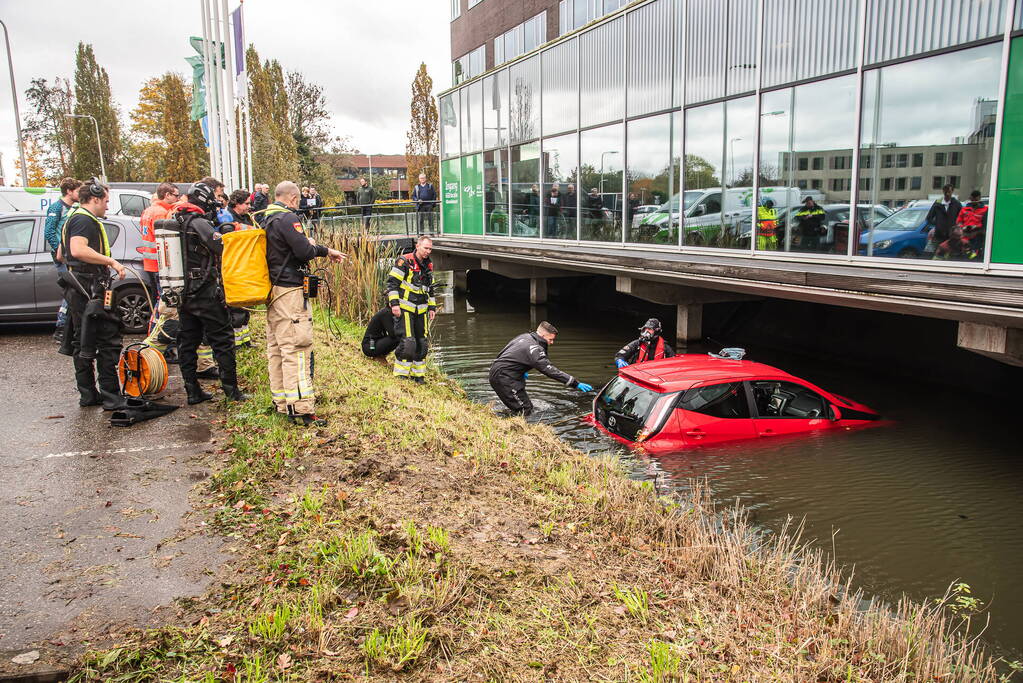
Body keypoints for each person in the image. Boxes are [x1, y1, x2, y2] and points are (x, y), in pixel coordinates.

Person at [264, 181, 345, 425]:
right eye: (298, 199)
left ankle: (281, 402)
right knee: (297, 348)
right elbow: (303, 252)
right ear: (293, 198)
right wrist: (315, 246)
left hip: (274, 290)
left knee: (277, 348)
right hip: (290, 292)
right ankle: (301, 409)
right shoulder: (288, 218)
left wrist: (323, 249)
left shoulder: (266, 218)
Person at [171, 181, 248, 405]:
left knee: (188, 342)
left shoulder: (177, 221)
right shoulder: (199, 223)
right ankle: (232, 391)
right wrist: (227, 230)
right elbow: (220, 246)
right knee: (223, 339)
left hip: (184, 293)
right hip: (204, 291)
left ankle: (192, 390)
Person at [56, 177, 126, 409]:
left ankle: (88, 395)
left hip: (77, 286)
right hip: (89, 287)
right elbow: (77, 250)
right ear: (94, 199)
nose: (107, 205)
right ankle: (112, 397)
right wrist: (110, 262)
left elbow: (61, 255)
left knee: (82, 340)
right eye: (105, 201)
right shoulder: (84, 220)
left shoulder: (72, 218)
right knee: (106, 340)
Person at [488, 321, 592, 417]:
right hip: (504, 377)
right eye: (550, 339)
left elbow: (506, 354)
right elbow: (549, 370)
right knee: (525, 409)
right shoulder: (536, 348)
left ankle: (505, 416)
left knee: (525, 406)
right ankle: (514, 427)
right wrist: (575, 383)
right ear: (542, 336)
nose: (552, 342)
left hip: (501, 372)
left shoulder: (525, 336)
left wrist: (520, 370)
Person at [385, 235, 437, 382]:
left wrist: (432, 307)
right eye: (426, 248)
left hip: (422, 310)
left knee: (422, 344)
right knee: (408, 342)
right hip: (405, 308)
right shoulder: (404, 261)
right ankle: (401, 375)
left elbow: (430, 289)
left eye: (430, 249)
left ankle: (418, 376)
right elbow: (392, 284)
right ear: (417, 246)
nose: (428, 251)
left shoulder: (428, 265)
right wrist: (394, 304)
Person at [45, 177, 82, 343]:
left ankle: (67, 328)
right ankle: (61, 328)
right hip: (62, 257)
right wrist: (60, 252)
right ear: (69, 191)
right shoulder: (57, 207)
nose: (80, 194)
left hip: (71, 255)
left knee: (73, 290)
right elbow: (49, 232)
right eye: (77, 191)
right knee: (71, 290)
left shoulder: (75, 208)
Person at [139, 183, 181, 323]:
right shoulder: (161, 213)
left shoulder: (148, 211)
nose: (177, 199)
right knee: (164, 302)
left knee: (158, 299)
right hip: (161, 264)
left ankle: (155, 328)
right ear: (167, 195)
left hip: (150, 262)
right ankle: (158, 331)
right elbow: (166, 241)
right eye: (176, 195)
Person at [220, 189, 256, 347]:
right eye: (246, 203)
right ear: (236, 203)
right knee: (236, 306)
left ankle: (245, 339)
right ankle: (236, 342)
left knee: (245, 305)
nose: (249, 206)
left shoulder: (246, 217)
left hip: (246, 263)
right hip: (234, 266)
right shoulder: (228, 218)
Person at [927, 184, 963, 260]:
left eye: (949, 192)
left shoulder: (956, 204)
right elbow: (929, 218)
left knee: (950, 257)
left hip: (951, 237)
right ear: (943, 191)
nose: (947, 194)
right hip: (938, 236)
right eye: (946, 192)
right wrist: (937, 225)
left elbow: (962, 218)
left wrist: (957, 227)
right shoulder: (937, 203)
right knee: (937, 257)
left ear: (952, 191)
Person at [955, 190, 987, 260]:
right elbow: (959, 221)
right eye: (972, 199)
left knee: (974, 256)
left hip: (977, 236)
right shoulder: (964, 209)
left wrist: (978, 229)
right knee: (965, 255)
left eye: (976, 199)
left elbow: (986, 224)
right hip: (965, 235)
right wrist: (962, 228)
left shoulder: (985, 209)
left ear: (979, 198)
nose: (974, 201)